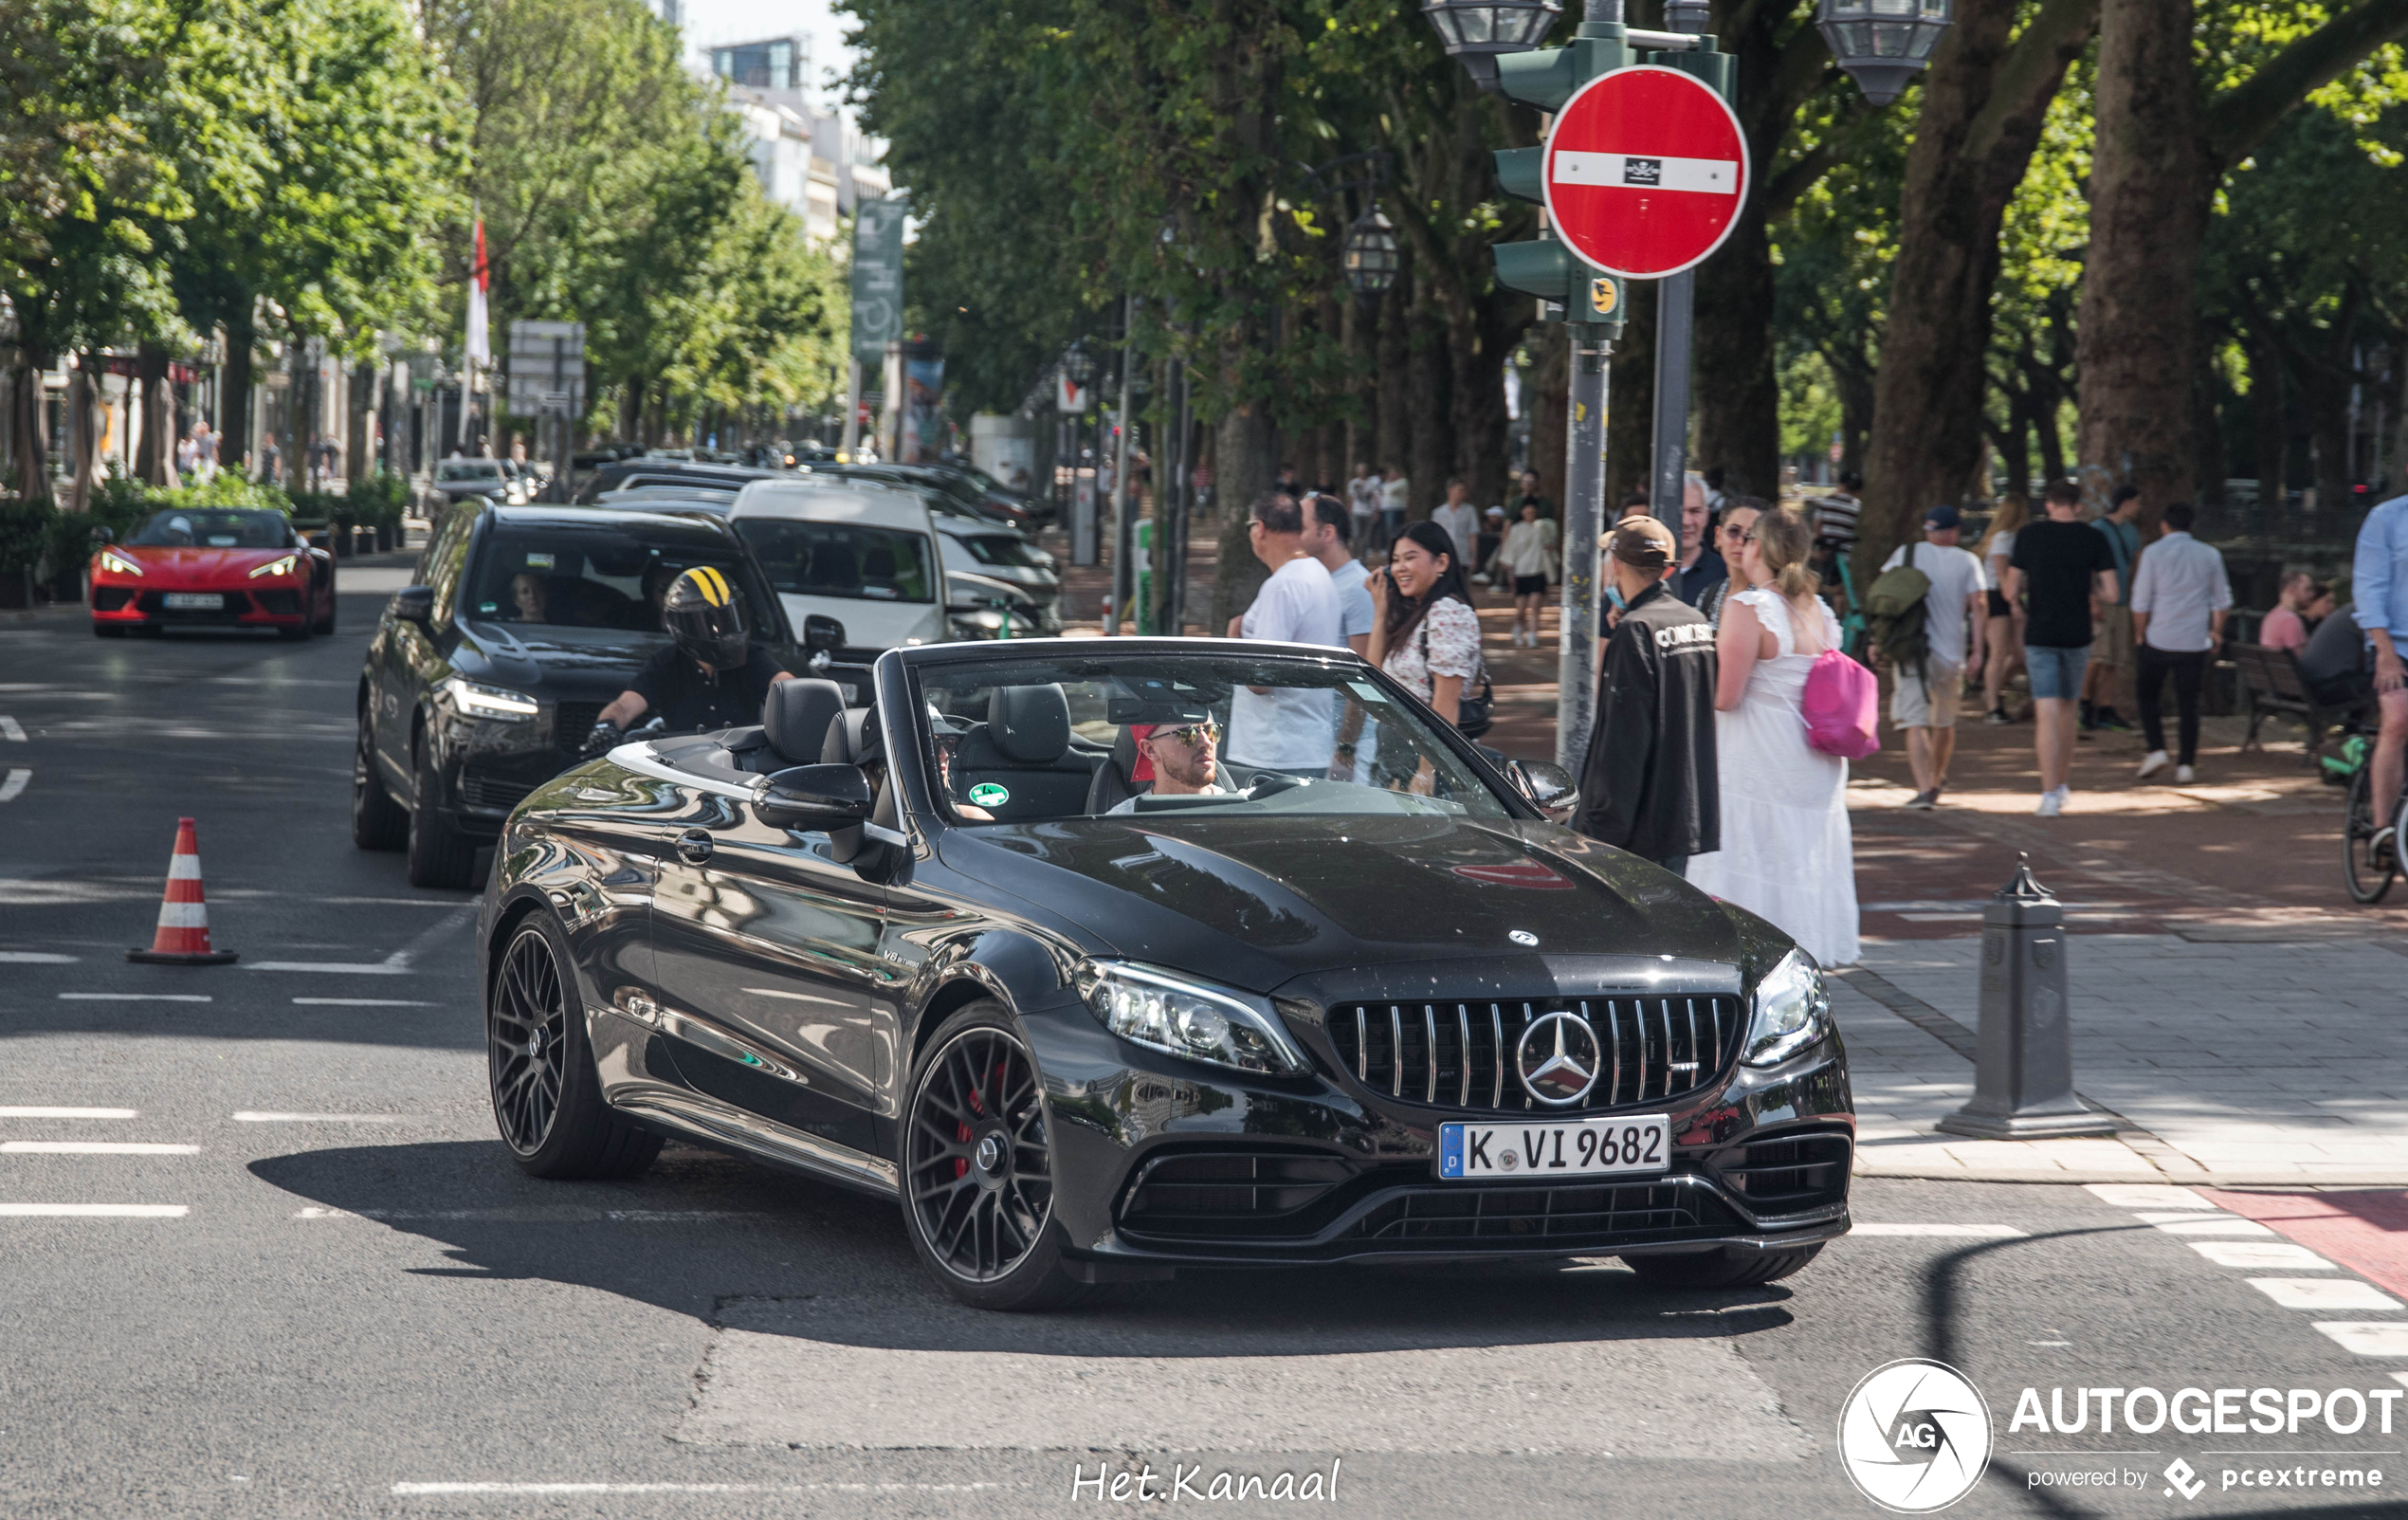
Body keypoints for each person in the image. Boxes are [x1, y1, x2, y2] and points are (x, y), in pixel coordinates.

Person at [1687, 506, 1859, 966]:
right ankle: (1799, 959)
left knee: (1749, 857)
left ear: (1757, 548)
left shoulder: (1749, 608)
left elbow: (1725, 696)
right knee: (1795, 860)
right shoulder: (1818, 609)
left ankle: (1745, 957)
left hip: (1757, 760)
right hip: (1810, 763)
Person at [1574, 517, 1719, 877]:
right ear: (1666, 571)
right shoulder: (1695, 620)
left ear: (1616, 565)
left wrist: (1599, 828)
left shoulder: (1634, 630)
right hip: (1682, 815)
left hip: (1637, 827)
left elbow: (1623, 740)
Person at [586, 566, 794, 751]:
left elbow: (786, 686)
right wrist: (606, 726)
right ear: (682, 626)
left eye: (728, 618)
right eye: (709, 623)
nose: (722, 630)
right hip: (680, 766)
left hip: (741, 763)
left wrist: (802, 702)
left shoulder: (753, 657)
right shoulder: (665, 663)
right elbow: (625, 706)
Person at [2013, 478, 2120, 815]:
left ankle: (2047, 794)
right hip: (2078, 632)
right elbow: (2113, 593)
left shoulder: (2028, 535)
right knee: (2068, 709)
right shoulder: (2094, 537)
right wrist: (2093, 594)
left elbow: (2009, 587)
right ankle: (2061, 783)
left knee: (2045, 711)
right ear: (2078, 506)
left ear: (2048, 504)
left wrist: (2021, 601)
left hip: (2040, 632)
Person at [1226, 492, 1343, 776]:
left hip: (1271, 752)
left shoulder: (1282, 586)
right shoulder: (1319, 574)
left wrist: (1233, 635)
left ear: (1261, 528)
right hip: (1309, 742)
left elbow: (1261, 679)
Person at [1879, 504, 1988, 809]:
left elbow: (1885, 598)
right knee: (1944, 723)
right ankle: (1935, 780)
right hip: (1951, 654)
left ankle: (1925, 789)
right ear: (1954, 531)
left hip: (1911, 649)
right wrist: (1977, 650)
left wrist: (1880, 640)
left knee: (1915, 721)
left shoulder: (1906, 554)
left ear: (1928, 529)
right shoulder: (1968, 561)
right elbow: (1979, 607)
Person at [2129, 501, 2233, 784]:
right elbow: (2222, 600)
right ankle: (2186, 763)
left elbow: (2140, 600)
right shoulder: (2210, 554)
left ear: (2164, 525)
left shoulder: (2152, 553)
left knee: (2147, 694)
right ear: (2191, 525)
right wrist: (2217, 631)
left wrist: (2140, 631)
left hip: (2159, 636)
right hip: (2193, 640)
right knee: (2189, 703)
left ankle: (2156, 747)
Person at [1367, 521, 1480, 727]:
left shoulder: (1448, 612)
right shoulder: (1418, 613)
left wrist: (1428, 761)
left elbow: (1446, 706)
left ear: (1442, 563)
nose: (1400, 568)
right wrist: (1381, 611)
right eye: (1395, 560)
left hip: (1425, 751)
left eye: (1410, 558)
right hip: (1395, 748)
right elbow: (1374, 681)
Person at [2353, 486, 2408, 861]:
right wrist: (2385, 651)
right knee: (2398, 719)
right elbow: (2369, 587)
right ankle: (2383, 826)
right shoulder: (2387, 519)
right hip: (2395, 643)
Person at [2081, 484, 2143, 731]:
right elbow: (2087, 568)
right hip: (2103, 599)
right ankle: (2084, 704)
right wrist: (2092, 599)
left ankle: (2106, 708)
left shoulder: (2131, 532)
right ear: (2126, 503)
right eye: (2136, 503)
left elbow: (2136, 565)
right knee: (2096, 656)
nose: (2138, 508)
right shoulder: (2097, 529)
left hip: (2122, 602)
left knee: (2114, 659)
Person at [1105, 716, 1226, 814]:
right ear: (1150, 750)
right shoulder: (1121, 824)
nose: (1207, 743)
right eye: (1188, 734)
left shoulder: (1240, 809)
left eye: (1211, 731)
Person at [1978, 495, 2029, 723]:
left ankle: (1993, 689)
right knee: (1998, 653)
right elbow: (2002, 576)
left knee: (2020, 653)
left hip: (2006, 595)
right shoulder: (2003, 538)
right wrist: (2014, 602)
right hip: (1997, 597)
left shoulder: (2011, 537)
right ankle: (1992, 706)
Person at [1306, 494, 1375, 657]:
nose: (1292, 537)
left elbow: (1362, 668)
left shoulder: (1359, 587)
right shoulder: (1311, 579)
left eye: (1300, 529)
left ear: (1327, 533)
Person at [1493, 499, 1558, 648]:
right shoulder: (1516, 529)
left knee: (1535, 605)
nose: (1530, 514)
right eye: (1528, 512)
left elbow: (1551, 543)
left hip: (1538, 570)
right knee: (1521, 609)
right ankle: (1518, 628)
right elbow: (1510, 552)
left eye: (1533, 512)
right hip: (1521, 572)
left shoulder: (1543, 527)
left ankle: (1533, 634)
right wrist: (1508, 569)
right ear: (1522, 513)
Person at [1699, 497, 1762, 627]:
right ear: (1718, 536)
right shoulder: (1709, 595)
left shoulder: (1769, 599)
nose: (1740, 541)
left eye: (1751, 535)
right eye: (1733, 531)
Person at [1669, 473, 1725, 608]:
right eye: (1678, 512)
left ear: (1706, 516)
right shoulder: (1640, 572)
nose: (1686, 521)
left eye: (1694, 511)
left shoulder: (1725, 574)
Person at [1431, 480, 1481, 580]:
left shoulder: (1469, 511)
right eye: (1460, 490)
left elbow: (1472, 534)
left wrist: (1473, 557)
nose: (1462, 494)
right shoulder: (1438, 513)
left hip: (1462, 555)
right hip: (1444, 555)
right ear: (1450, 490)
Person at [2259, 570, 2315, 653]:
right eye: (2307, 589)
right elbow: (2301, 659)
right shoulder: (2291, 620)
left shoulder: (2270, 617)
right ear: (2291, 590)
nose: (2312, 594)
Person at [1814, 471, 1863, 555]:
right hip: (1847, 555)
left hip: (1826, 551)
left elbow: (1816, 525)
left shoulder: (1827, 502)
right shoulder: (1858, 507)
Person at [1347, 463, 1382, 545]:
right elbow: (1351, 498)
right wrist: (1349, 510)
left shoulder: (1371, 483)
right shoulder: (1353, 483)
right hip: (1356, 512)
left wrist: (1376, 511)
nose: (1361, 472)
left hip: (1368, 513)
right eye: (1360, 470)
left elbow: (1376, 497)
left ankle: (1363, 557)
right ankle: (1355, 555)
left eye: (1363, 470)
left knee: (1366, 537)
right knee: (1356, 535)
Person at [1379, 464, 1411, 548]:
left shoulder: (1403, 482)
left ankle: (1396, 546)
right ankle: (1388, 547)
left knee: (1395, 530)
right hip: (1386, 508)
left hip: (1397, 508)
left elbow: (1390, 491)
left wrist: (1387, 489)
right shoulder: (1387, 483)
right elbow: (1382, 491)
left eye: (1392, 473)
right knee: (1387, 530)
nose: (1390, 475)